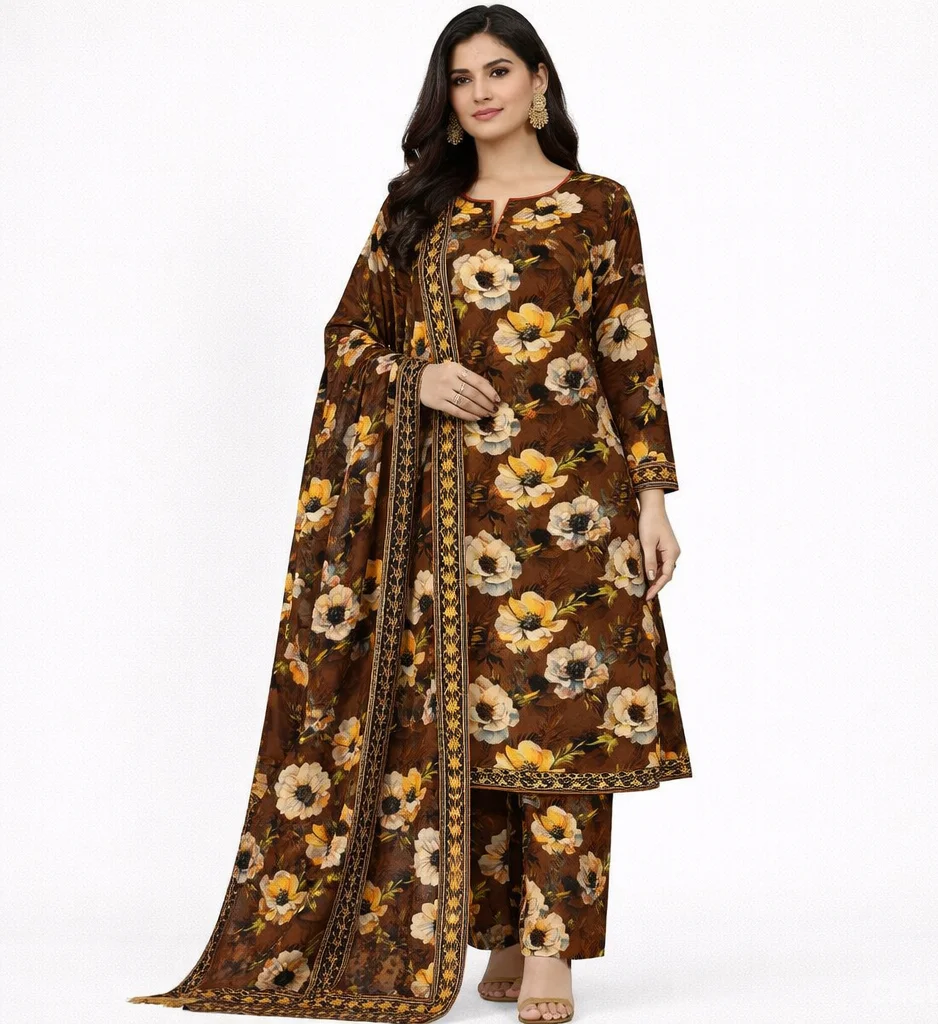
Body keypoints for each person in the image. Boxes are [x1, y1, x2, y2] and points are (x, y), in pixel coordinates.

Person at [128, 5, 692, 1023]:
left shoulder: (599, 205)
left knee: (564, 723)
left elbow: (627, 350)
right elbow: (350, 336)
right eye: (461, 78)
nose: (480, 93)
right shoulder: (417, 211)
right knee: (472, 726)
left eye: (498, 71)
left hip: (577, 507)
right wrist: (413, 377)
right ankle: (502, 932)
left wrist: (652, 498)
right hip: (443, 515)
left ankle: (553, 947)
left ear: (539, 82)